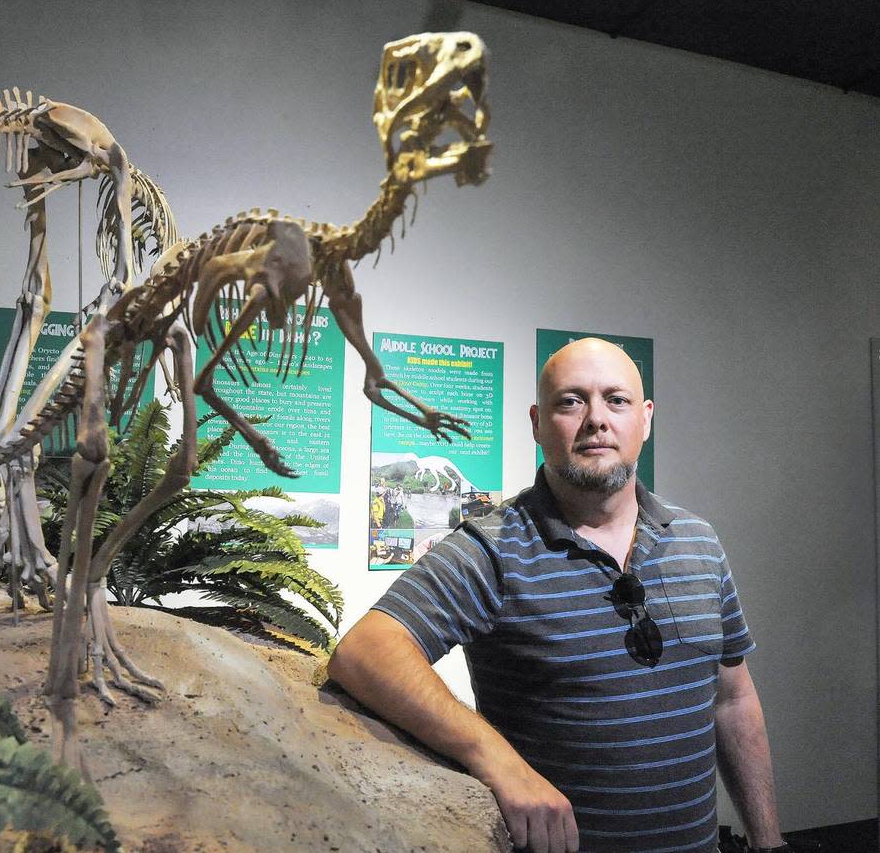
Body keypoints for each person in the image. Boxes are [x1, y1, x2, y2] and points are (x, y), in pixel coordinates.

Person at [328, 338, 790, 853]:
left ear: (646, 418)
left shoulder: (698, 540)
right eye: (571, 401)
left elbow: (733, 698)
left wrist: (768, 840)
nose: (596, 418)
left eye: (617, 400)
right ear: (536, 422)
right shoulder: (493, 549)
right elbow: (366, 652)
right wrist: (497, 761)